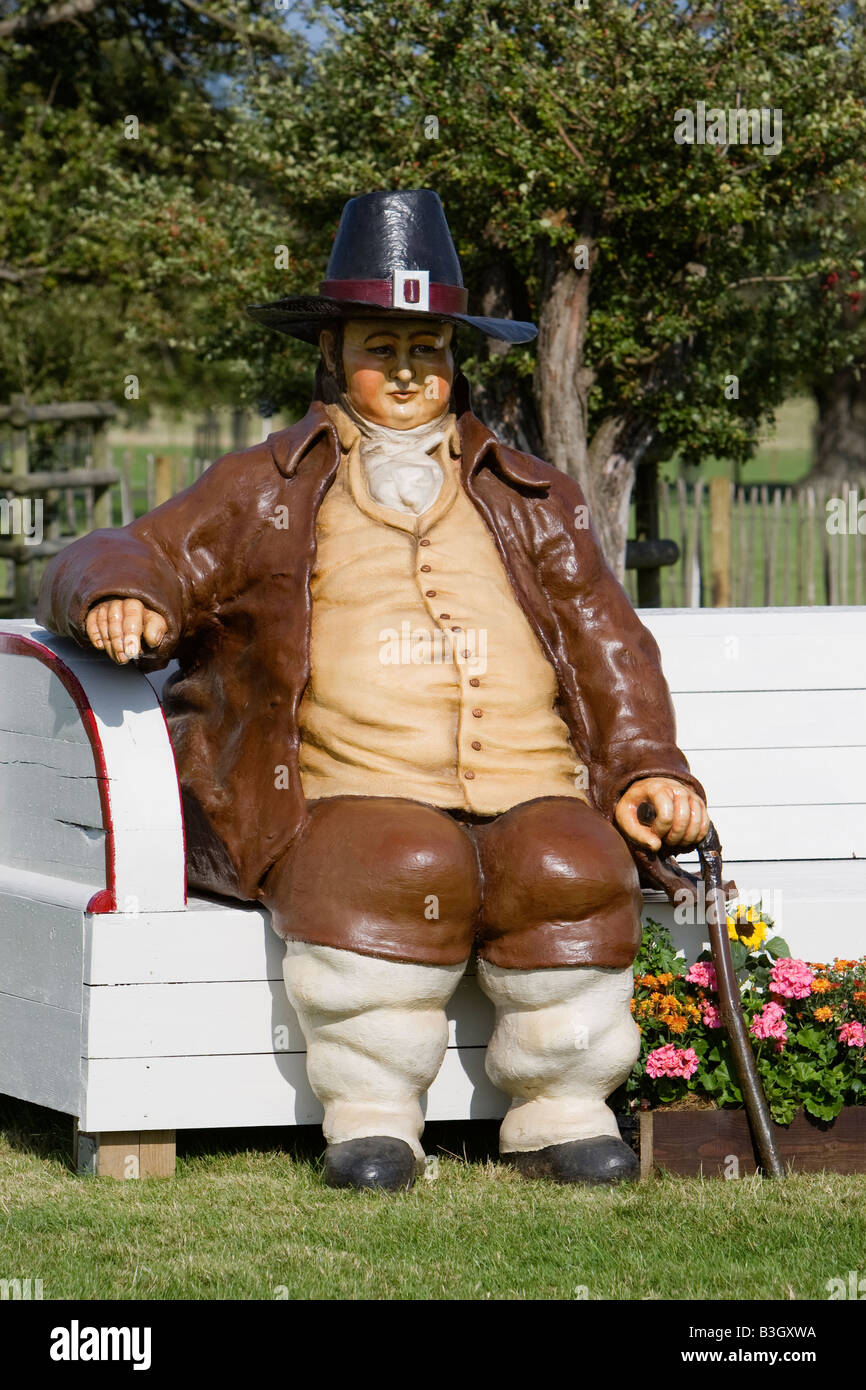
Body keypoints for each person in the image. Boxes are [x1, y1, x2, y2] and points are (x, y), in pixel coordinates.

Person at [38, 189, 708, 1190]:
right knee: (396, 855)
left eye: (426, 349)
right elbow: (128, 549)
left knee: (566, 861)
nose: (405, 371)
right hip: (345, 786)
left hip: (529, 777)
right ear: (332, 356)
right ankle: (373, 1113)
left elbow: (605, 641)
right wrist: (118, 593)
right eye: (379, 347)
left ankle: (562, 1104)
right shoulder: (265, 486)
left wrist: (646, 767)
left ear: (453, 360)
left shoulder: (531, 496)